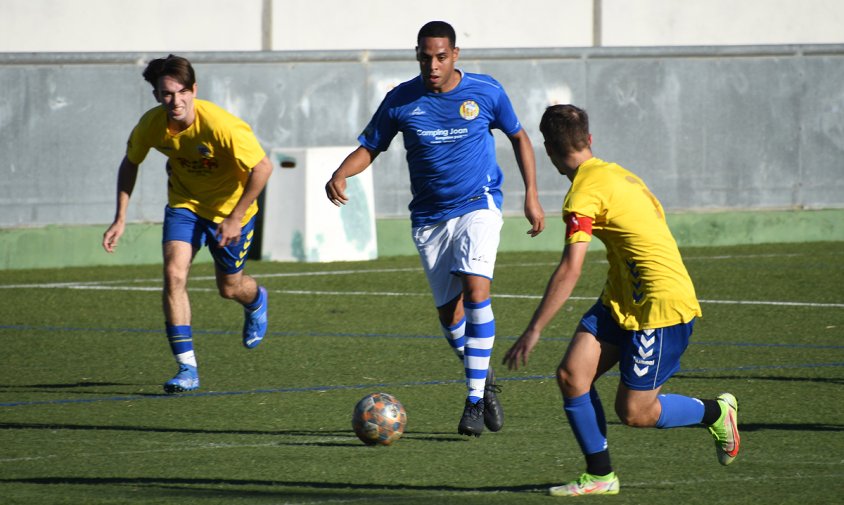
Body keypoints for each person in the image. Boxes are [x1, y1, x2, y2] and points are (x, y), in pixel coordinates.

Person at [503, 104, 740, 496]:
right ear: (589, 140)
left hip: (660, 306)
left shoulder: (582, 193)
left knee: (634, 412)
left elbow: (570, 269)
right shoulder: (615, 172)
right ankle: (600, 476)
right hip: (622, 297)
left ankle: (716, 412)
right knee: (571, 376)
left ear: (547, 151)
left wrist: (533, 329)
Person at [325, 21, 545, 437]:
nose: (433, 64)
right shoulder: (400, 100)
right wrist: (341, 172)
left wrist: (531, 194)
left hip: (479, 204)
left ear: (455, 55)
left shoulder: (486, 91)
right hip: (429, 219)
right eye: (426, 57)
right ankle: (484, 378)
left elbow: (519, 137)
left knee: (477, 289)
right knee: (450, 317)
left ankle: (475, 400)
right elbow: (371, 146)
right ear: (417, 55)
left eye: (441, 56)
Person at [102, 54, 273, 394]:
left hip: (230, 213)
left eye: (182, 92)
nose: (175, 101)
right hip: (185, 206)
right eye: (167, 94)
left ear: (194, 89)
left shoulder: (222, 126)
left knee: (229, 288)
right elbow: (130, 162)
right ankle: (187, 369)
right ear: (156, 95)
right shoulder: (152, 124)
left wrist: (235, 217)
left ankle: (255, 301)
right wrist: (120, 217)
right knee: (174, 274)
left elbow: (263, 168)